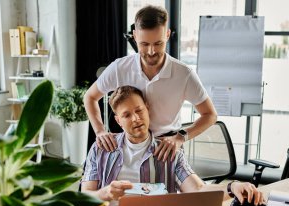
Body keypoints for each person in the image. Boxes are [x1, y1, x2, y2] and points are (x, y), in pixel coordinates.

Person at [77, 86, 263, 206]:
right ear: (118, 120)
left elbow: (198, 190)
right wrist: (107, 193)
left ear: (147, 108)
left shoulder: (169, 151)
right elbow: (85, 201)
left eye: (139, 110)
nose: (135, 118)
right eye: (126, 115)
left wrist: (232, 187)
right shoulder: (101, 148)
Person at [84, 5, 218, 162]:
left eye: (158, 43)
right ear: (134, 36)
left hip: (167, 147)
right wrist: (100, 131)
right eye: (144, 44)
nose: (151, 51)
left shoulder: (184, 74)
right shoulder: (119, 68)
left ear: (167, 35)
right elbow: (90, 97)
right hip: (129, 147)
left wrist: (181, 137)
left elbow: (210, 115)